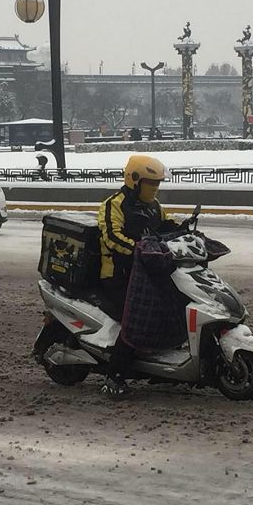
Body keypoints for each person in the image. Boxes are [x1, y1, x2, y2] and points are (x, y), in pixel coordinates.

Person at [97, 155, 180, 398]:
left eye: (158, 184)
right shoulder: (115, 204)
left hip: (148, 270)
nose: (155, 189)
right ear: (134, 180)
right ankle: (114, 376)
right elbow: (112, 237)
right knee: (138, 316)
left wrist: (182, 231)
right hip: (117, 274)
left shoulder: (153, 206)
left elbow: (164, 226)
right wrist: (140, 249)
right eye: (151, 183)